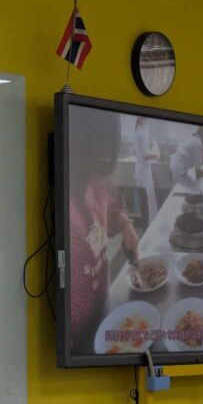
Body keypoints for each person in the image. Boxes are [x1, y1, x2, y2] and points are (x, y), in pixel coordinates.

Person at [67, 108, 140, 345]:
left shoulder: (92, 180)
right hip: (77, 339)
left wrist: (125, 225)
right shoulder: (68, 215)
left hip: (103, 314)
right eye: (102, 152)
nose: (107, 162)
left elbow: (110, 206)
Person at [133, 117, 160, 224]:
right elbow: (145, 155)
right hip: (143, 175)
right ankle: (147, 227)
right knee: (146, 207)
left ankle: (147, 226)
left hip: (142, 174)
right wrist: (156, 154)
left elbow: (144, 153)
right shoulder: (141, 133)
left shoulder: (139, 131)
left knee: (145, 206)